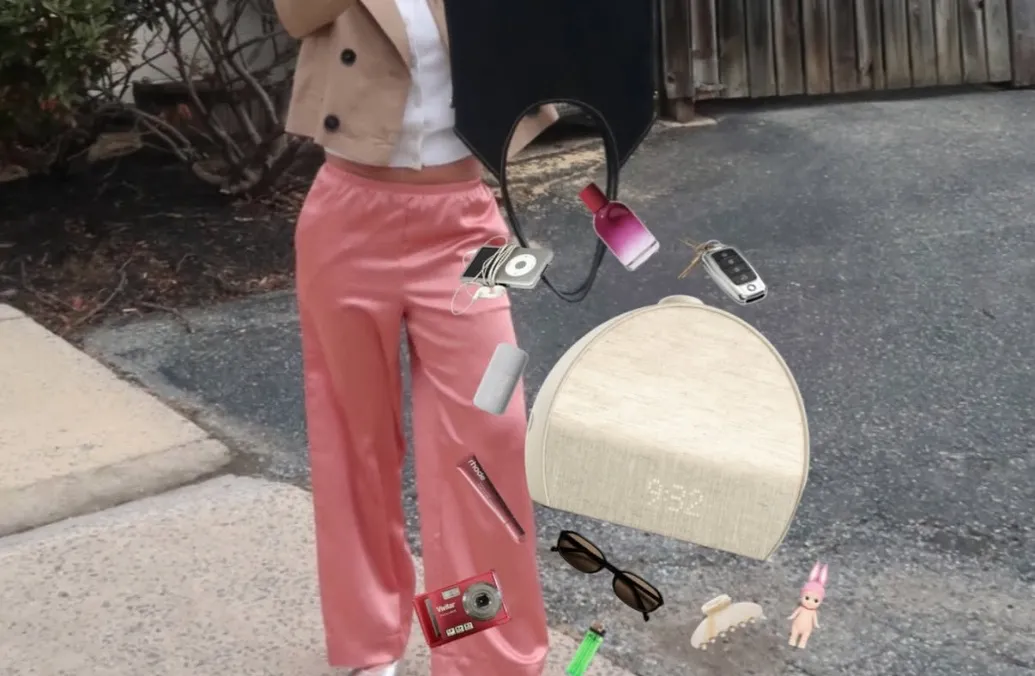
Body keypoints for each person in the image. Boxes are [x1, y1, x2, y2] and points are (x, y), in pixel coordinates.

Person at [271, 0, 559, 674]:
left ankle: (478, 653)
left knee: (491, 434)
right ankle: (371, 645)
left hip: (466, 222)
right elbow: (295, 14)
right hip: (348, 217)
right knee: (355, 439)